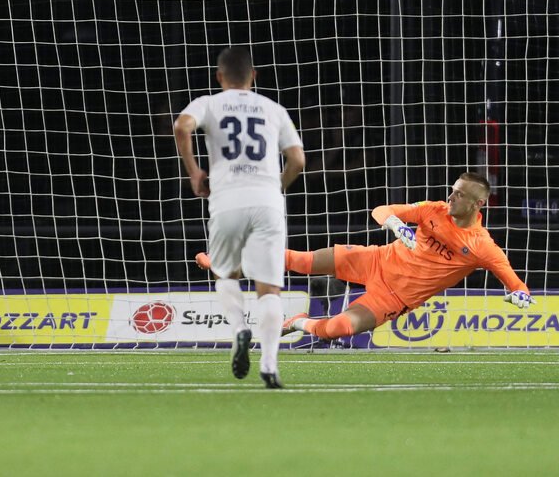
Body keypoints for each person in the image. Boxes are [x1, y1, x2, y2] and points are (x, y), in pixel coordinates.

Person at [175, 46, 305, 389]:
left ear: (220, 77)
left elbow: (181, 127)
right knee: (270, 291)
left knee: (226, 274)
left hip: (226, 198)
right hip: (267, 201)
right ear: (254, 76)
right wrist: (276, 187)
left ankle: (239, 330)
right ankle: (270, 366)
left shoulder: (209, 103)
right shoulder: (273, 108)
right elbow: (298, 160)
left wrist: (193, 172)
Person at [281, 171, 534, 340]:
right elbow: (382, 209)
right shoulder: (433, 210)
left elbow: (515, 283)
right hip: (375, 260)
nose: (451, 197)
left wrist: (522, 294)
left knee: (339, 328)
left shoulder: (482, 246)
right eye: (453, 190)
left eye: (460, 194)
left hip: (392, 298)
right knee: (299, 260)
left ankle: (298, 322)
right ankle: (243, 256)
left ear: (478, 204)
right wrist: (394, 222)